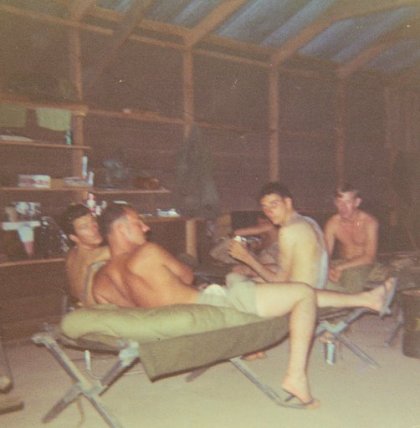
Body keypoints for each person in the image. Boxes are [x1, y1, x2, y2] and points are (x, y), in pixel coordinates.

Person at [92, 201, 394, 408]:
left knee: (259, 283)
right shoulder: (147, 253)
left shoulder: (101, 280)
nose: (145, 228)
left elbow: (124, 310)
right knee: (301, 293)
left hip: (181, 316)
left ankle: (365, 298)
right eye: (138, 222)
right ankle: (296, 377)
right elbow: (186, 275)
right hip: (211, 304)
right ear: (121, 229)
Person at [323, 184, 379, 293]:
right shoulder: (333, 223)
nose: (343, 207)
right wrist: (328, 269)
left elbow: (369, 257)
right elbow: (325, 254)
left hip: (362, 264)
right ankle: (343, 298)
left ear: (357, 202)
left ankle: (348, 298)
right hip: (341, 263)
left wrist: (340, 268)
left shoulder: (369, 222)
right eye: (339, 202)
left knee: (353, 276)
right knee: (318, 277)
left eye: (347, 202)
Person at [61, 204, 110, 306]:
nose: (94, 229)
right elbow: (125, 248)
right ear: (74, 238)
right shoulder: (96, 255)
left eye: (93, 221)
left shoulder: (71, 254)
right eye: (84, 227)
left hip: (77, 309)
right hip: (94, 312)